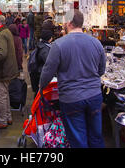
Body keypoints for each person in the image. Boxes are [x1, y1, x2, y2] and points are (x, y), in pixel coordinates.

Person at [39, 10, 106, 148]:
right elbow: (101, 70)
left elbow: (47, 71)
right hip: (94, 96)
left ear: (69, 23)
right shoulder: (96, 43)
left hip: (71, 98)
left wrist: (41, 87)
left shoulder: (58, 45)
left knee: (77, 138)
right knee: (96, 136)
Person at [0, 15, 19, 129]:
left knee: (0, 96)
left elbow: (1, 54)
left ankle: (2, 121)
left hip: (3, 71)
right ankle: (7, 117)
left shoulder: (1, 35)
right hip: (8, 69)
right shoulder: (5, 31)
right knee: (5, 95)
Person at [29, 29, 53, 96]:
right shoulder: (44, 49)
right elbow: (48, 62)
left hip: (38, 72)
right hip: (41, 73)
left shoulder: (41, 45)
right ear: (49, 38)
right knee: (40, 92)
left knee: (38, 92)